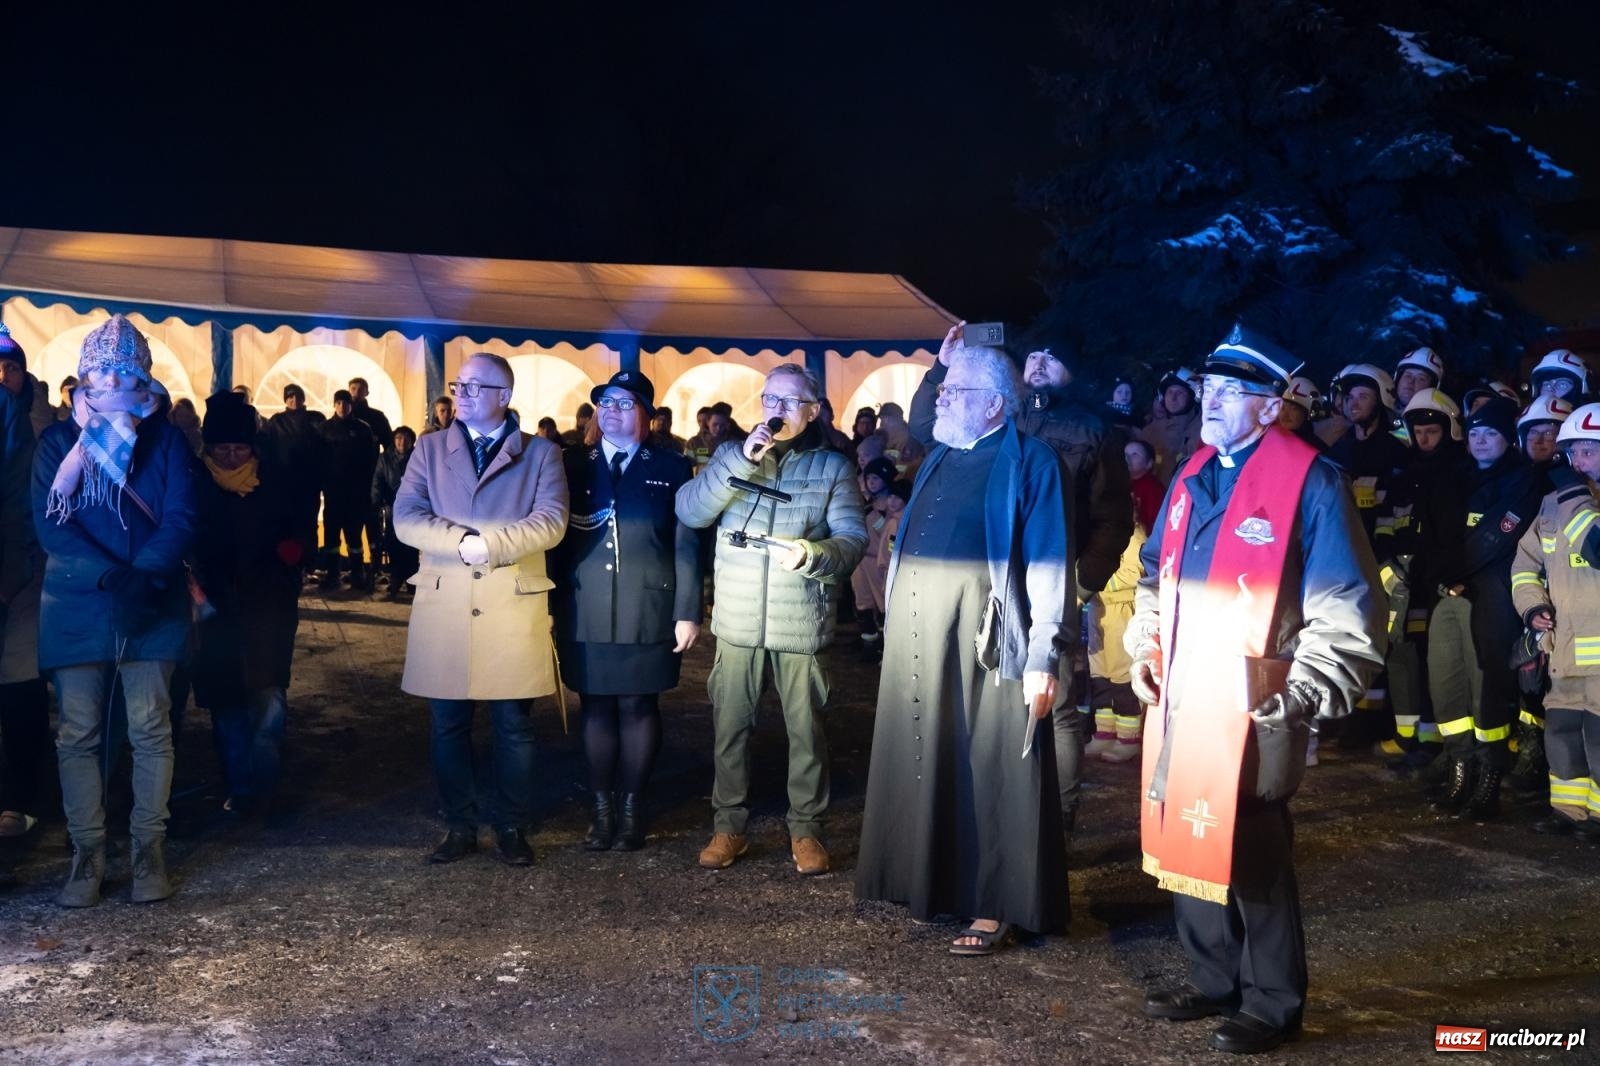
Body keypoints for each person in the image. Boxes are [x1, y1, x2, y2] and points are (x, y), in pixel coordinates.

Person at [1128, 325, 1384, 1054]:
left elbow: (1348, 602)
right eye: (1206, 389)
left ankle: (1274, 1001)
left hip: (1256, 697)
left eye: (1227, 392)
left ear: (1271, 408)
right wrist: (1145, 641)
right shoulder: (1192, 471)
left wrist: (1306, 691)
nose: (1208, 402)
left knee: (1255, 850)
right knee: (1185, 831)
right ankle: (1214, 979)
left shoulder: (1313, 482)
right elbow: (1155, 572)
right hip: (1182, 690)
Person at [855, 343, 1072, 954]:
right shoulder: (942, 454)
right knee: (928, 752)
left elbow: (1051, 565)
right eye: (945, 389)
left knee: (991, 766)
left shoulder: (1033, 463)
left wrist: (1042, 658)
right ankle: (929, 881)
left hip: (987, 640)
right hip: (921, 635)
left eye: (956, 392)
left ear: (995, 405)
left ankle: (994, 902)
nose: (944, 400)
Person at [32, 314, 198, 906]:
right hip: (78, 600)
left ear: (143, 380)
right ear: (82, 382)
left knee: (151, 727)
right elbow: (50, 524)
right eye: (99, 376)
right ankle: (87, 852)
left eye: (123, 376)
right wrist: (111, 574)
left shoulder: (167, 440)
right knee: (77, 732)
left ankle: (148, 846)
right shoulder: (57, 443)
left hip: (150, 600)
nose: (109, 386)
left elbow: (180, 515)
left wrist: (145, 574)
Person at [675, 363, 866, 875]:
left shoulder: (832, 467)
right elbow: (691, 511)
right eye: (768, 400)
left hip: (799, 621)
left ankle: (807, 830)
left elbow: (852, 541)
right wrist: (740, 460)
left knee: (807, 731)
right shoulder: (731, 455)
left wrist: (808, 555)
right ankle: (728, 827)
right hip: (737, 619)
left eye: (788, 402)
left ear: (812, 410)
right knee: (730, 727)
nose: (775, 411)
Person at [394, 353, 569, 866]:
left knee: (512, 725)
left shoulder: (541, 454)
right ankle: (459, 825)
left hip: (510, 601)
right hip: (446, 601)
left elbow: (552, 521)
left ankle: (512, 825)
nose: (462, 393)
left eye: (474, 385)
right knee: (447, 723)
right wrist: (460, 541)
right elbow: (406, 516)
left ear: (503, 396)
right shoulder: (428, 449)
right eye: (459, 384)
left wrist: (488, 546)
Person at [550, 371, 701, 852]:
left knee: (639, 705)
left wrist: (688, 610)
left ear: (648, 416)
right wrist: (546, 602)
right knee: (594, 705)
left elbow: (687, 543)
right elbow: (555, 540)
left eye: (624, 403)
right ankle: (601, 810)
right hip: (584, 602)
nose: (612, 410)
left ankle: (633, 808)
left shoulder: (674, 467)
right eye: (605, 403)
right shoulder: (571, 463)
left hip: (649, 603)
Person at [1416, 397, 1544, 819]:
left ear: (1508, 439)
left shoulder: (1522, 479)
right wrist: (1440, 575)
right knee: (1447, 682)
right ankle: (1459, 771)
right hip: (1448, 595)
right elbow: (1433, 534)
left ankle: (1488, 781)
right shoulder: (1453, 478)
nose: (1481, 440)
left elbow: (1499, 535)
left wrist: (1453, 571)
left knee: (1487, 689)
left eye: (1491, 433)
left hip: (1489, 598)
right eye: (1474, 433)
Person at [190, 392, 307, 815]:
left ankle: (267, 784)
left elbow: (298, 527)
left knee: (268, 696)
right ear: (210, 447)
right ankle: (240, 787)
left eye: (240, 448)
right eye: (224, 449)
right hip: (217, 608)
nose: (233, 457)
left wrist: (292, 555)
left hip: (267, 607)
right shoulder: (196, 482)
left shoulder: (273, 479)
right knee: (228, 704)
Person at [1513, 403, 1600, 839]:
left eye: (1589, 451)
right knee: (1562, 730)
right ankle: (1569, 811)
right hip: (1561, 646)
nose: (1578, 462)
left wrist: (1575, 497)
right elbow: (1524, 566)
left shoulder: (1572, 501)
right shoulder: (1552, 504)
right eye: (1574, 452)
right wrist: (1533, 608)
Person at [1373, 389, 1465, 769]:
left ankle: (1432, 736)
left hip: (1439, 580)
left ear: (1449, 430)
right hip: (1404, 578)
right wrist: (1388, 561)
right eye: (1419, 431)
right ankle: (1407, 733)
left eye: (1432, 431)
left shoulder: (1459, 470)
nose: (1425, 438)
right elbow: (1384, 522)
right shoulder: (1403, 471)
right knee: (1403, 655)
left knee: (1434, 658)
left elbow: (1454, 533)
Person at [0, 326, 51, 841]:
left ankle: (18, 798)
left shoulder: (39, 428)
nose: (2, 376)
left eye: (11, 367)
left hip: (28, 580)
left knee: (21, 692)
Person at [319, 389, 378, 591]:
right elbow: (317, 460)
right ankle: (333, 575)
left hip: (356, 493)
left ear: (350, 405)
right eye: (339, 403)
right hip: (333, 493)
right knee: (331, 536)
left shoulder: (363, 429)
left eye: (345, 403)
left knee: (354, 536)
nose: (342, 406)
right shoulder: (324, 429)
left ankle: (357, 575)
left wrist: (368, 488)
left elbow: (372, 460)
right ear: (334, 405)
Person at [261, 383, 327, 564]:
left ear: (304, 398)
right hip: (284, 482)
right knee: (286, 522)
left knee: (308, 522)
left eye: (297, 396)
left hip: (309, 481)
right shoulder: (277, 421)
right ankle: (288, 562)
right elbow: (268, 448)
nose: (294, 400)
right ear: (285, 400)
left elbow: (325, 447)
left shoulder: (316, 419)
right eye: (290, 397)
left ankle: (309, 562)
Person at [850, 457, 896, 649]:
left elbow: (889, 534)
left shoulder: (891, 505)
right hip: (861, 559)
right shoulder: (867, 503)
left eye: (876, 478)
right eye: (869, 478)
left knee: (883, 602)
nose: (871, 482)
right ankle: (868, 641)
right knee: (863, 600)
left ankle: (886, 645)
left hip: (877, 560)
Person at [372, 426, 419, 600]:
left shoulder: (418, 458)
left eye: (406, 438)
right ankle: (396, 579)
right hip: (392, 507)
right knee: (393, 543)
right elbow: (378, 479)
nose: (402, 442)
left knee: (411, 545)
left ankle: (412, 581)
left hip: (413, 507)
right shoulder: (385, 458)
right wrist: (377, 500)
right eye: (399, 438)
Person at [1139, 367, 1202, 477]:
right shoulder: (1149, 432)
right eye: (1170, 392)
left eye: (1180, 393)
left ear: (1192, 397)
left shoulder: (1202, 432)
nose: (1173, 398)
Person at [1125, 439, 1166, 536]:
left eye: (1135, 454)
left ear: (1149, 464)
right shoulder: (1114, 482)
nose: (1127, 458)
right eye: (1125, 453)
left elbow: (1156, 525)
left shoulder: (1154, 489)